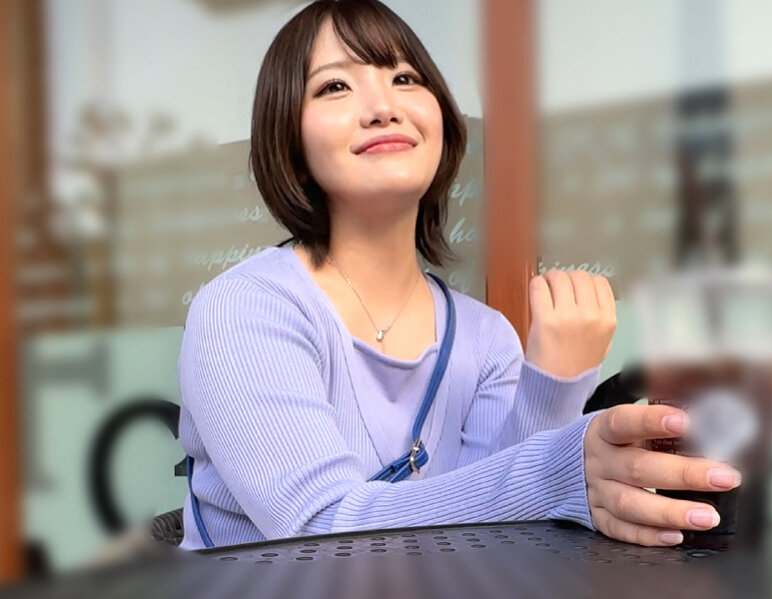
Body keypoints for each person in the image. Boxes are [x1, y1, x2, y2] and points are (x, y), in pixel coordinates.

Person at [178, 0, 741, 550]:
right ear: (292, 148)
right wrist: (563, 469)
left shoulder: (484, 335)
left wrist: (556, 380)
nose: (383, 107)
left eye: (404, 78)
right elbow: (318, 530)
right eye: (335, 86)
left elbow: (495, 533)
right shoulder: (246, 307)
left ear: (442, 124)